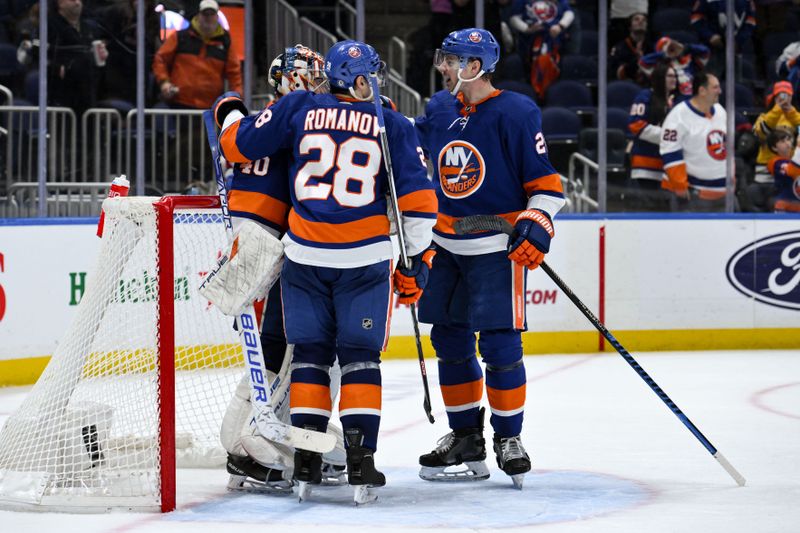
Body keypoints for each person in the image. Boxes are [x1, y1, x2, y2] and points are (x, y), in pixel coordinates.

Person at [214, 40, 438, 503]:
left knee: (309, 357)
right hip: (362, 260)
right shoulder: (388, 121)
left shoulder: (295, 110)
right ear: (359, 78)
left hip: (297, 255)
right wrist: (415, 262)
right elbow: (417, 207)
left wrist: (229, 109)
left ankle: (307, 458)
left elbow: (235, 143)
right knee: (357, 359)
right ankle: (360, 461)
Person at [413, 28, 565, 489]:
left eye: (451, 59)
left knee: (500, 344)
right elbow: (408, 156)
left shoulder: (517, 112)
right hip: (444, 247)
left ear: (474, 67)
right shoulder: (439, 109)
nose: (442, 66)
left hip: (496, 248)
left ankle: (508, 438)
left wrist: (536, 222)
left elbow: (544, 182)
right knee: (450, 342)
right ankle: (465, 437)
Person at [218, 45, 349, 493]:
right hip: (274, 246)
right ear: (288, 78)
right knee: (289, 344)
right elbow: (235, 140)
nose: (317, 81)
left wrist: (228, 109)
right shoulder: (295, 115)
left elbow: (230, 130)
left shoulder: (274, 117)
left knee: (279, 345)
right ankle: (250, 443)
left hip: (261, 244)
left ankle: (248, 443)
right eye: (309, 73)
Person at [152, 0, 242, 109]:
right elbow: (160, 59)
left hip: (210, 108)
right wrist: (164, 82)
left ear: (217, 17)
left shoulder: (226, 42)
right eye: (205, 14)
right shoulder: (181, 37)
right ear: (199, 15)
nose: (208, 18)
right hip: (179, 103)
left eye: (211, 14)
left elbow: (234, 73)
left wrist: (236, 99)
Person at [660, 71, 729, 211]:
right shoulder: (678, 115)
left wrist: (731, 175)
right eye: (715, 87)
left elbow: (727, 146)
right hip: (693, 194)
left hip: (723, 194)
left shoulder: (721, 111)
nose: (720, 91)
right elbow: (670, 152)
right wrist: (680, 184)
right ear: (702, 91)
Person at [627, 63, 677, 211]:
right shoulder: (645, 97)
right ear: (660, 78)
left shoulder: (673, 102)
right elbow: (635, 124)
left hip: (665, 168)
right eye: (669, 76)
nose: (674, 79)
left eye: (675, 76)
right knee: (648, 211)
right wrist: (668, 136)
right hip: (645, 166)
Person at [48, 0, 108, 115]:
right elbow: (39, 56)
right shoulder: (50, 26)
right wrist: (58, 69)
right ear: (60, 3)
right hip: (62, 92)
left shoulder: (89, 28)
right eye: (72, 0)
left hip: (88, 91)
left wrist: (102, 57)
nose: (77, 3)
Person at [508, 0, 574, 100]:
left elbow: (569, 13)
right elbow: (514, 18)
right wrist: (526, 28)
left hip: (554, 43)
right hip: (529, 44)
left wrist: (560, 26)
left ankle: (550, 97)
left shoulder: (560, 2)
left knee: (553, 73)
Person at [751, 81, 800, 200]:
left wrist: (791, 112)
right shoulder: (763, 117)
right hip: (765, 176)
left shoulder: (795, 117)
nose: (783, 99)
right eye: (780, 95)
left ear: (791, 97)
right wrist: (777, 109)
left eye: (786, 95)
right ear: (774, 97)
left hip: (789, 173)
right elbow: (761, 131)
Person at [690, 0, 756, 75]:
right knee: (710, 81)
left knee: (735, 83)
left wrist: (738, 40)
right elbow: (696, 18)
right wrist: (710, 36)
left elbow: (750, 21)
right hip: (710, 49)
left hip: (735, 49)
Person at [639, 37, 710, 101]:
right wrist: (664, 54)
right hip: (675, 101)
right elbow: (643, 62)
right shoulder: (661, 71)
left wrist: (686, 48)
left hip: (696, 98)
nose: (671, 48)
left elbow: (705, 52)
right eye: (664, 46)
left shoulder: (691, 63)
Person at [609, 12, 652, 84]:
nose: (641, 21)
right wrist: (637, 59)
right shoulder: (620, 47)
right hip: (627, 85)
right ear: (630, 27)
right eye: (636, 19)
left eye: (644, 20)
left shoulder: (650, 47)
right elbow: (619, 73)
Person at [765, 129, 800, 213]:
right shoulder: (774, 162)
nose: (787, 143)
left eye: (788, 139)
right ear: (774, 147)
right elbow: (792, 171)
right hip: (785, 206)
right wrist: (798, 147)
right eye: (782, 141)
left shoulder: (796, 158)